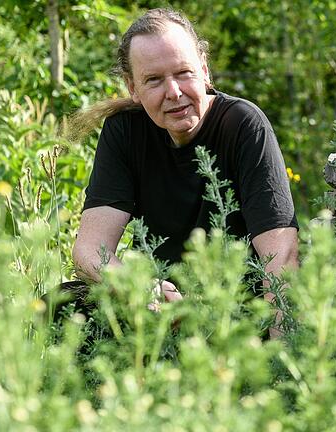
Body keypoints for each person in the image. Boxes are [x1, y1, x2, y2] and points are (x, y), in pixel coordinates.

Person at [70, 8, 298, 336]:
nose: (174, 92)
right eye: (154, 80)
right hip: (154, 308)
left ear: (204, 71)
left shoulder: (244, 126)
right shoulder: (125, 131)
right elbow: (89, 251)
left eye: (183, 73)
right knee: (62, 306)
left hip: (231, 314)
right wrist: (137, 287)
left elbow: (282, 257)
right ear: (132, 87)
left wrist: (282, 365)